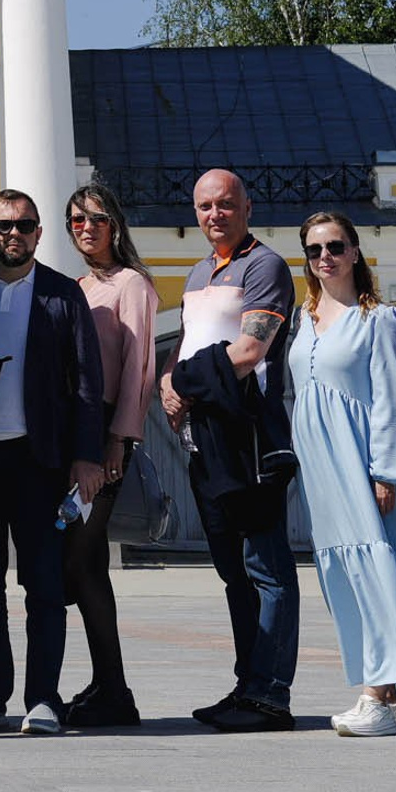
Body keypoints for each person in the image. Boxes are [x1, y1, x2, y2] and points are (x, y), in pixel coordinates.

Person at [0, 189, 108, 735]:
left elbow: (89, 384)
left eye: (24, 226)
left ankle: (44, 696)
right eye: (2, 226)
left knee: (44, 584)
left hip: (38, 459)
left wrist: (86, 458)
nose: (13, 235)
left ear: (39, 233)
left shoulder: (63, 295)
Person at [163, 168, 300, 733]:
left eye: (224, 204)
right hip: (205, 442)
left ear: (246, 206)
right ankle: (247, 685)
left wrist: (181, 383)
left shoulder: (263, 265)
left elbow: (248, 349)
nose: (213, 214)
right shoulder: (199, 271)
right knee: (233, 574)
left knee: (267, 571)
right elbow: (193, 345)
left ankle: (271, 695)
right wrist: (171, 383)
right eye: (203, 206)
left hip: (249, 439)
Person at [291, 212, 396, 737]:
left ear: (354, 252)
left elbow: (394, 401)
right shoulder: (303, 317)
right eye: (313, 250)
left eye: (334, 246)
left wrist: (386, 473)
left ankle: (376, 695)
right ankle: (391, 696)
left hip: (362, 462)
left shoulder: (380, 319)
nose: (324, 257)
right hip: (321, 465)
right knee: (346, 576)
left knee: (379, 570)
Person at [63, 181, 156, 729]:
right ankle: (108, 685)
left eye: (97, 218)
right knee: (91, 565)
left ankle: (113, 687)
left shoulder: (132, 286)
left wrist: (119, 439)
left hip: (105, 435)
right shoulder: (77, 286)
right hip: (73, 434)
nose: (87, 228)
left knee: (79, 558)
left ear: (115, 223)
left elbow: (140, 367)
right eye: (77, 220)